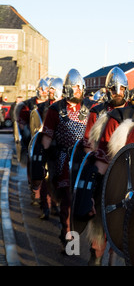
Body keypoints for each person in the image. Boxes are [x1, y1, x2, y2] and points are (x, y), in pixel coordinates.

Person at [85, 66, 134, 266]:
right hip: (120, 189)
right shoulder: (118, 117)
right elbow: (103, 162)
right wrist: (95, 194)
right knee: (115, 243)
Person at [40, 69, 95, 250]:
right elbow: (46, 139)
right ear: (68, 89)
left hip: (87, 160)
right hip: (65, 158)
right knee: (68, 200)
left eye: (81, 87)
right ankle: (69, 239)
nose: (79, 90)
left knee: (89, 200)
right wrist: (44, 162)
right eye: (75, 87)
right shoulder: (56, 110)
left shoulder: (91, 108)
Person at [35, 77, 64, 220]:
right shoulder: (41, 108)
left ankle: (55, 205)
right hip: (46, 148)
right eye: (49, 88)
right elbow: (36, 127)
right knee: (45, 179)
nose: (49, 91)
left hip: (61, 149)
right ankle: (45, 207)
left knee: (57, 180)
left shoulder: (64, 108)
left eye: (52, 88)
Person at [82, 67, 129, 154]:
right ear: (108, 90)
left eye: (121, 89)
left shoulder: (133, 111)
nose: (118, 93)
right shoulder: (96, 112)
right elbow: (88, 144)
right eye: (114, 89)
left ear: (126, 90)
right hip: (102, 158)